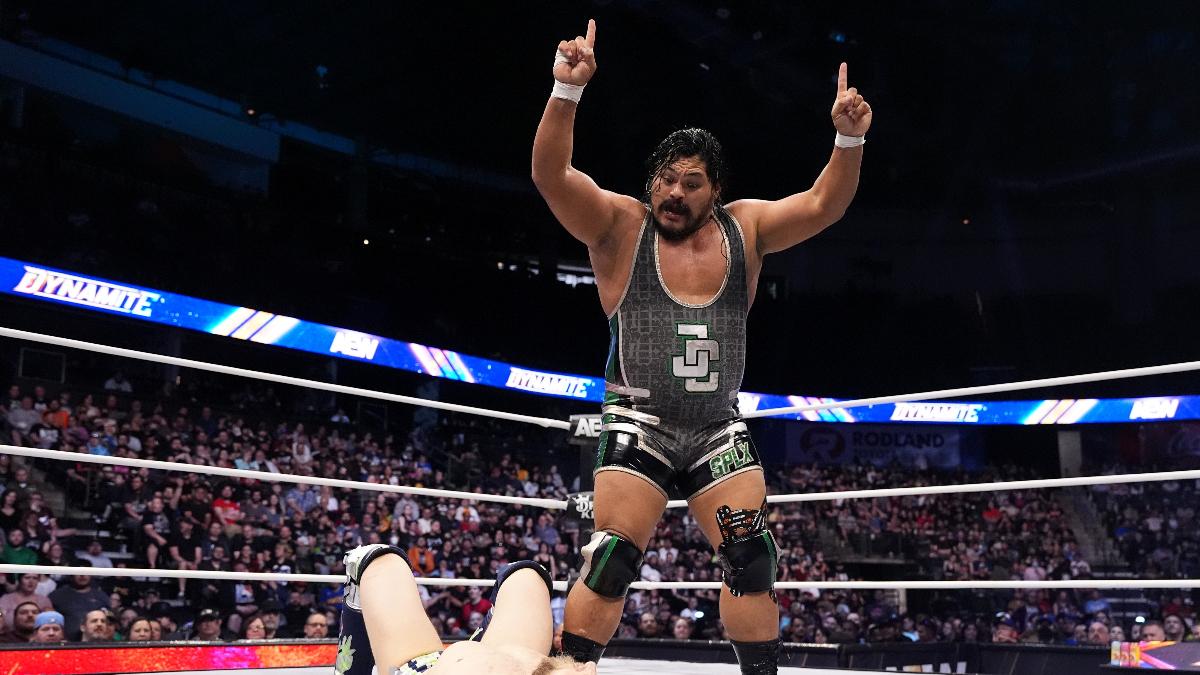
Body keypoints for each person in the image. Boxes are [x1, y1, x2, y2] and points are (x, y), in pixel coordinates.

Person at [532, 18, 870, 675]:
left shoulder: (748, 227)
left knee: (752, 555)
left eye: (689, 182)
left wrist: (848, 136)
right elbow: (551, 175)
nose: (672, 192)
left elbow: (826, 202)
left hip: (716, 422)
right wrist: (564, 91)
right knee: (611, 556)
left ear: (715, 189)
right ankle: (574, 667)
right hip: (639, 418)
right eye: (664, 178)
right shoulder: (619, 227)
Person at [335, 544, 593, 675]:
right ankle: (484, 641)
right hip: (519, 661)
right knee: (527, 576)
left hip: (425, 669)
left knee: (376, 560)